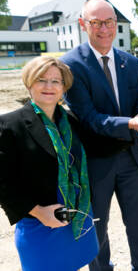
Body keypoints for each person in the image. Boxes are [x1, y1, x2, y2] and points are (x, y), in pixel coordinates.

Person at [61, 0, 138, 271]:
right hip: (96, 163)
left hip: (132, 158)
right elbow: (90, 118)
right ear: (83, 24)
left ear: (116, 24)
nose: (103, 28)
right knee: (97, 228)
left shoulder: (130, 62)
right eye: (96, 22)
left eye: (109, 22)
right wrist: (131, 123)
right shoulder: (70, 65)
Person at [0, 56, 99, 271]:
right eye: (41, 79)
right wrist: (38, 212)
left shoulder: (70, 121)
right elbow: (3, 184)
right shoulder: (9, 125)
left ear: (64, 87)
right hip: (40, 226)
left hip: (74, 220)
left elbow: (99, 145)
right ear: (29, 83)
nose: (49, 86)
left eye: (56, 81)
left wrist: (135, 124)